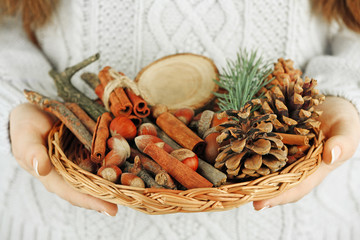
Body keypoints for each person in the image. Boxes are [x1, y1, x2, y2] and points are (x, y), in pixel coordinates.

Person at [1, 0, 360, 239]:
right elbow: (8, 23)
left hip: (300, 223)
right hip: (64, 219)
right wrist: (20, 94)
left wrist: (342, 90)